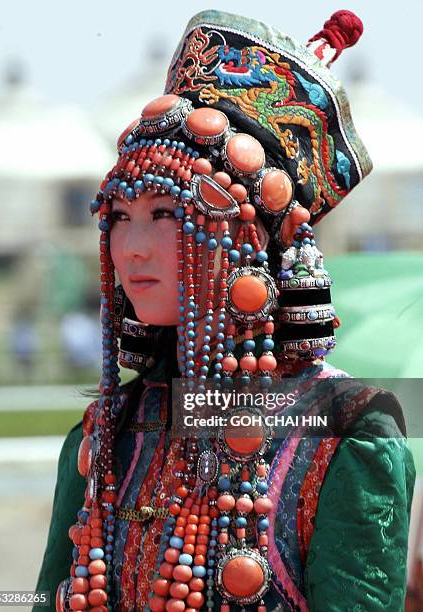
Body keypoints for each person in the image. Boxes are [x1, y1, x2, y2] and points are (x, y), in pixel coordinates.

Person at [35, 9, 415, 612]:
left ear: (249, 240)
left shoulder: (348, 434)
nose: (132, 246)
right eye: (120, 216)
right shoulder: (104, 435)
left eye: (167, 214)